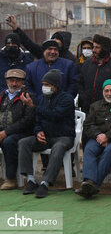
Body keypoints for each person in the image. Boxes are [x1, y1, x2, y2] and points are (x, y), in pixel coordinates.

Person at [18, 69, 75, 198]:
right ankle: (31, 180)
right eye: (43, 84)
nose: (44, 87)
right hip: (46, 137)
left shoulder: (67, 99)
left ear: (55, 86)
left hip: (64, 136)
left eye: (47, 84)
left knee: (59, 147)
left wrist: (33, 107)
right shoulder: (42, 99)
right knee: (24, 142)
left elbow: (55, 115)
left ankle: (45, 182)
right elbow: (38, 119)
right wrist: (38, 131)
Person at [0, 69, 35, 190]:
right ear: (6, 81)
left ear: (23, 82)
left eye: (17, 81)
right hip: (2, 131)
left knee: (8, 142)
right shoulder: (1, 95)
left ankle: (11, 179)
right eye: (11, 80)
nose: (14, 84)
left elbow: (27, 120)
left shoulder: (28, 96)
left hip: (22, 133)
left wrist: (6, 132)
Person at [77, 34, 111, 114]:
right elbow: (80, 83)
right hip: (88, 109)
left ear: (105, 49)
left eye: (97, 48)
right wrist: (84, 97)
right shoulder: (87, 64)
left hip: (108, 109)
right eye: (93, 47)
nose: (94, 50)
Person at [5, 14, 75, 61]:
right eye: (53, 38)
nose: (54, 41)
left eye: (57, 39)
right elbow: (29, 44)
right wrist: (15, 28)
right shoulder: (45, 53)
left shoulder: (70, 59)